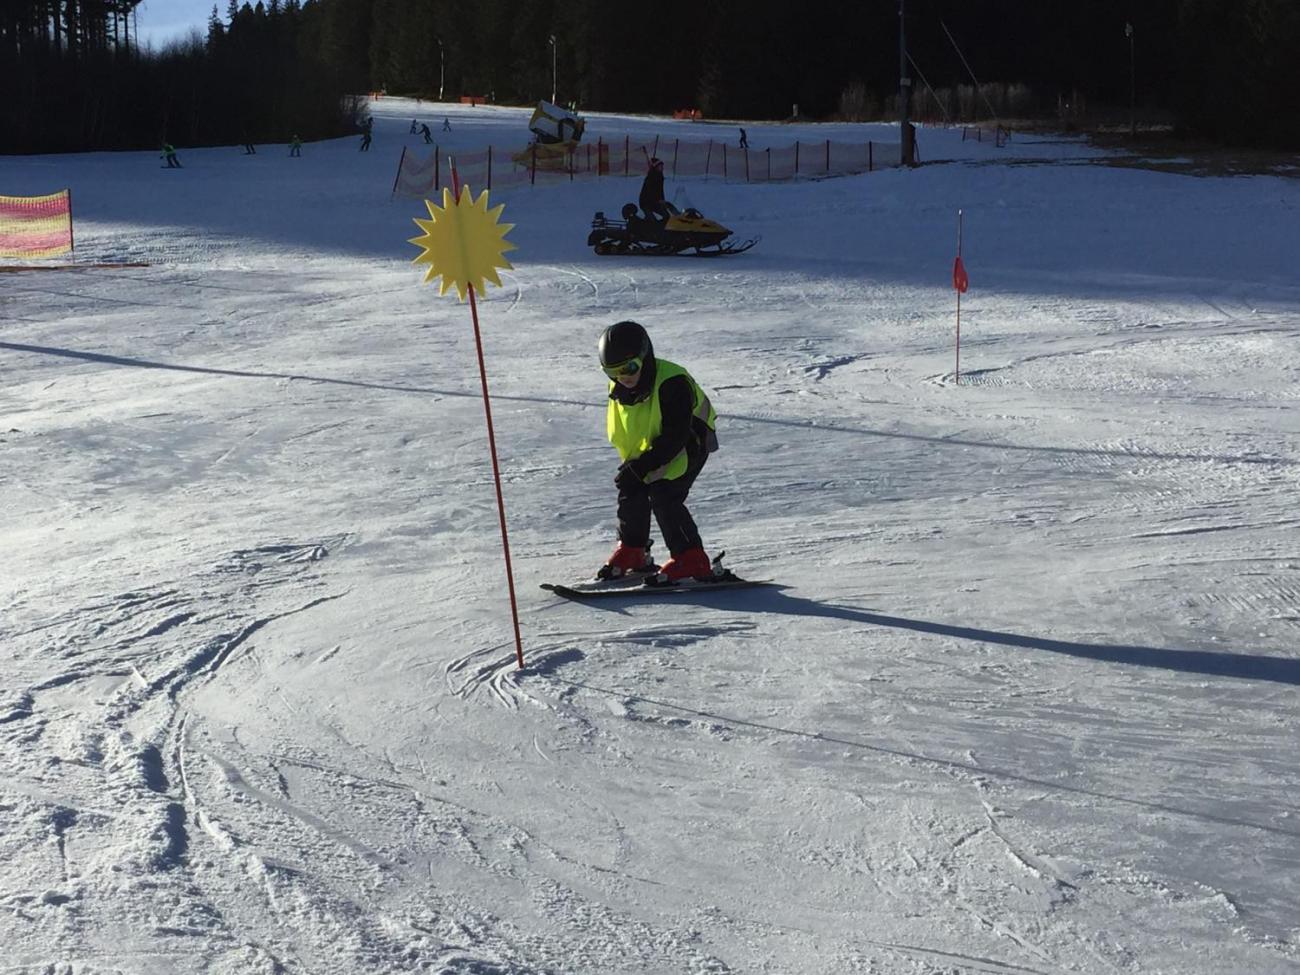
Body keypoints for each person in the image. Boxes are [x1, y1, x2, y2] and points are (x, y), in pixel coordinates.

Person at [596, 320, 719, 583]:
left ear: (645, 357)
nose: (623, 377)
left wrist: (643, 466)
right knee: (631, 488)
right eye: (612, 371)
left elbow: (676, 435)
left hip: (690, 441)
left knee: (664, 492)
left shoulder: (672, 383)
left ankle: (691, 557)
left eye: (629, 367)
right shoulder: (620, 388)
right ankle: (633, 550)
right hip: (651, 447)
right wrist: (635, 469)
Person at [638, 157, 670, 222]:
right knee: (652, 220)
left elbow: (660, 191)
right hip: (646, 203)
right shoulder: (651, 178)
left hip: (655, 203)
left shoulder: (660, 177)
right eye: (660, 166)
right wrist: (658, 200)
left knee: (666, 215)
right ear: (656, 167)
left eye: (662, 166)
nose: (662, 168)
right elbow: (649, 192)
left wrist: (663, 200)